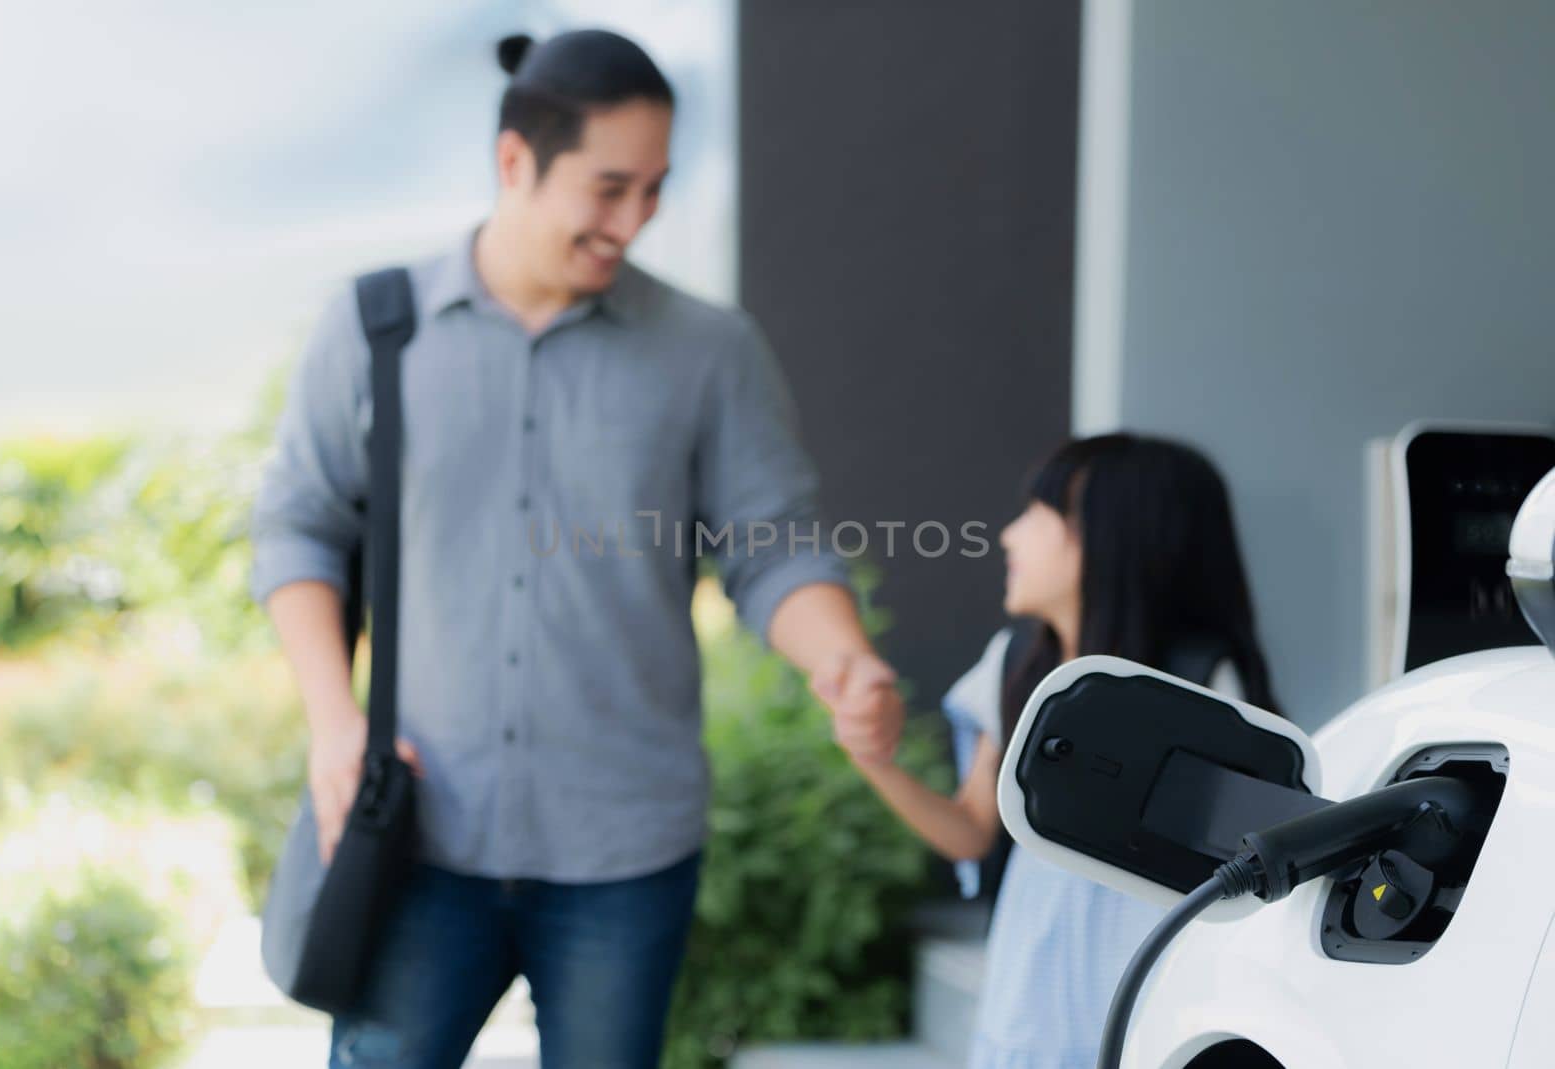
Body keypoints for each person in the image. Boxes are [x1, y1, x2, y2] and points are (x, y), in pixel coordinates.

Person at [251, 29, 904, 1069]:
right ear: (516, 161)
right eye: (609, 188)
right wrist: (333, 723)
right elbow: (299, 526)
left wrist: (843, 656)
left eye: (653, 190)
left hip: (624, 851)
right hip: (416, 838)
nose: (633, 221)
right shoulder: (377, 327)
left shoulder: (708, 351)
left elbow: (773, 542)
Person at [827, 433, 1281, 1067]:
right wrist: (872, 759)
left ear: (1111, 536)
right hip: (1032, 976)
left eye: (1038, 515)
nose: (1008, 536)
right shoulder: (1015, 667)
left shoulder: (1202, 684)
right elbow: (969, 831)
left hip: (1140, 966)